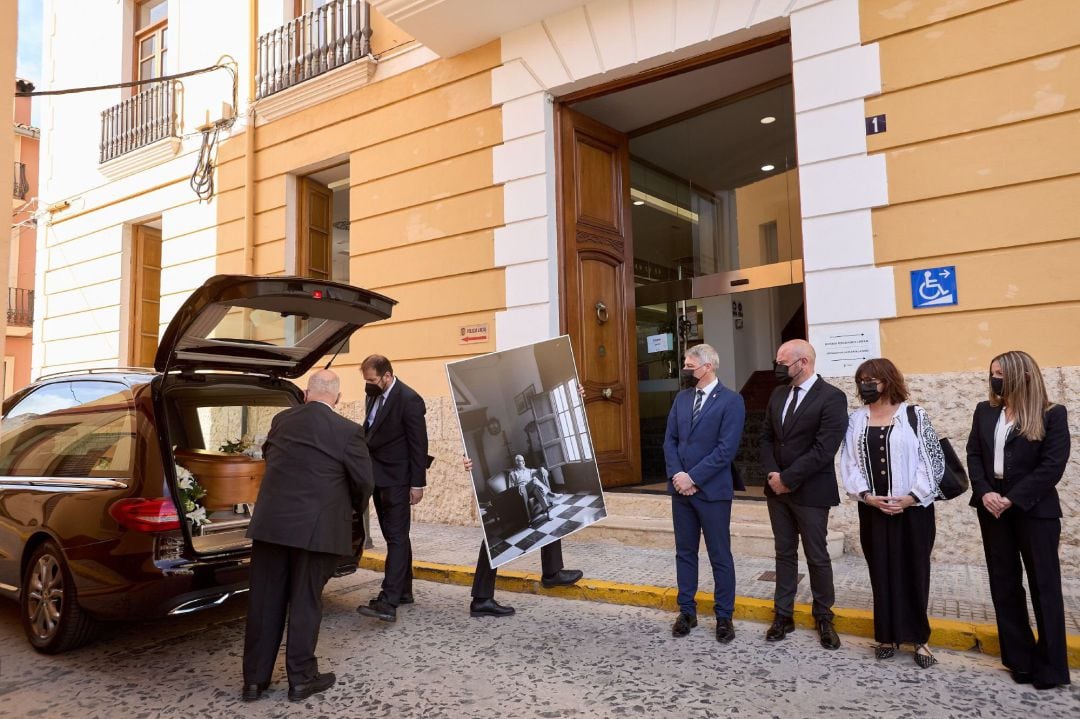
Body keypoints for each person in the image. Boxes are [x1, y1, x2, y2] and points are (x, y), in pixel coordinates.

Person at [242, 370, 373, 703]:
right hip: (317, 530)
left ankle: (254, 682)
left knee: (264, 603)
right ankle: (301, 679)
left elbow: (274, 458)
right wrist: (350, 513)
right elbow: (364, 483)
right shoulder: (348, 431)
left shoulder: (282, 420)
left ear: (305, 394)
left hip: (271, 526)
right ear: (338, 398)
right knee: (305, 602)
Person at [967, 350, 1071, 690]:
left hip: (1033, 509)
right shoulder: (986, 411)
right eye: (992, 372)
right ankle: (1020, 659)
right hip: (992, 507)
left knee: (1045, 586)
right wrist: (985, 492)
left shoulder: (1051, 414)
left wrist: (1013, 498)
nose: (995, 378)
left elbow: (1052, 466)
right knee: (1004, 582)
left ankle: (1052, 667)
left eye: (1000, 372)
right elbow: (974, 454)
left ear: (1022, 375)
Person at [839, 358, 944, 668]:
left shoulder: (914, 415)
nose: (865, 386)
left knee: (915, 571)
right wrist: (867, 497)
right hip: (873, 510)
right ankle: (885, 635)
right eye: (861, 380)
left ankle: (920, 639)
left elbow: (932, 460)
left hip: (913, 511)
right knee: (880, 571)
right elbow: (849, 462)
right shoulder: (856, 419)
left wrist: (912, 497)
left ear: (888, 380)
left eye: (872, 380)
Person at [759, 339, 847, 649]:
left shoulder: (832, 398)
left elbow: (824, 448)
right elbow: (766, 437)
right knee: (784, 554)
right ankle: (783, 615)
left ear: (803, 363)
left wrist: (788, 478)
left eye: (783, 363)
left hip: (811, 491)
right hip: (776, 491)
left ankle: (823, 616)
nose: (778, 368)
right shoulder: (778, 394)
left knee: (817, 555)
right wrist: (773, 475)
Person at [663, 343, 745, 642]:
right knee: (685, 553)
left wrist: (694, 478)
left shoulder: (731, 401)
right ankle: (687, 611)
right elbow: (669, 440)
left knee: (719, 555)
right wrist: (677, 475)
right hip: (680, 491)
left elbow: (726, 449)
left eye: (689, 365)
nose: (685, 370)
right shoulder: (682, 399)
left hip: (712, 491)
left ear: (707, 366)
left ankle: (724, 616)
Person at [356, 355, 429, 624]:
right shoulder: (373, 395)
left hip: (398, 479)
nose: (369, 385)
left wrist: (417, 484)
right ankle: (404, 591)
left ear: (387, 375)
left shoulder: (409, 399)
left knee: (397, 537)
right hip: (378, 478)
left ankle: (388, 601)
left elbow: (418, 445)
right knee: (394, 536)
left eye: (373, 380)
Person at [462, 463, 583, 618]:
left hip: (523, 488)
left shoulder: (523, 470)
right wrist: (466, 458)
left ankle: (552, 572)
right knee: (490, 539)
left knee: (545, 511)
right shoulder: (512, 476)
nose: (520, 463)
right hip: (512, 491)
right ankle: (481, 598)